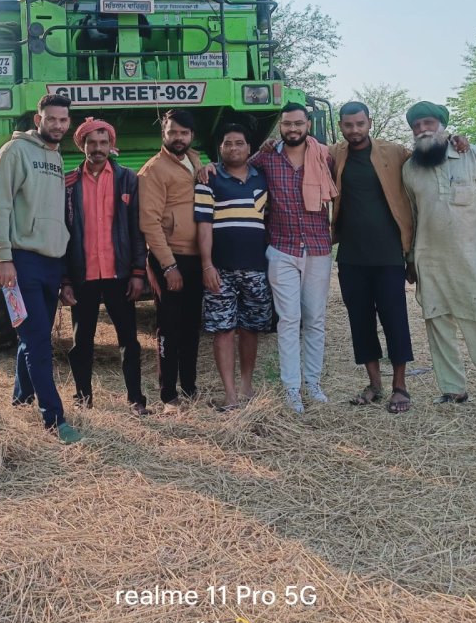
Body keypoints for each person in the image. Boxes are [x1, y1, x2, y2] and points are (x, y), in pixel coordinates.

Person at [401, 101, 476, 422]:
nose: (423, 129)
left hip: (471, 261)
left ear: (443, 127)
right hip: (429, 262)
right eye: (416, 126)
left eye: (428, 123)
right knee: (438, 325)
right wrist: (411, 259)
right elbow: (412, 217)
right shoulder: (410, 168)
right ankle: (453, 390)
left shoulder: (471, 154)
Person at [0, 94, 83, 444]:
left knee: (34, 336)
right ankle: (54, 419)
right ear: (39, 118)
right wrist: (4, 256)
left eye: (63, 120)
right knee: (38, 339)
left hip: (51, 262)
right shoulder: (14, 152)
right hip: (22, 262)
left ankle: (21, 398)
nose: (58, 125)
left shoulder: (56, 156)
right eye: (52, 119)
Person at [241, 103, 337, 413]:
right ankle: (292, 387)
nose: (292, 129)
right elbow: (238, 165)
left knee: (315, 319)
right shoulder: (268, 155)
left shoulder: (324, 155)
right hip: (282, 248)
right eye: (287, 124)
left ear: (308, 124)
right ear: (280, 126)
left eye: (298, 123)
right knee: (288, 319)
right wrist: (201, 164)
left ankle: (313, 383)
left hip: (319, 247)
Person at [328, 102, 415, 414]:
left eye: (360, 124)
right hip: (351, 256)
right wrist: (273, 144)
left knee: (395, 320)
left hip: (389, 254)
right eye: (348, 125)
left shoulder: (394, 153)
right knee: (360, 322)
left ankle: (400, 387)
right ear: (340, 126)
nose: (355, 130)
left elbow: (426, 159)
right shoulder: (334, 154)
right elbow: (300, 152)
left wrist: (457, 142)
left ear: (370, 123)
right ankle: (374, 384)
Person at [61, 117, 151, 417]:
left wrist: (139, 272)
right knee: (81, 342)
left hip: (119, 274)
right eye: (92, 143)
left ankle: (136, 399)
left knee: (129, 339)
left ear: (111, 145)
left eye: (103, 143)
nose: (97, 149)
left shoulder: (127, 180)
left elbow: (137, 230)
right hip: (83, 275)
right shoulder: (69, 184)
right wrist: (66, 280)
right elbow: (63, 232)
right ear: (82, 145)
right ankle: (83, 397)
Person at [194, 124, 273, 411]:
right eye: (228, 144)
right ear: (221, 149)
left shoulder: (262, 179)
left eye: (239, 143)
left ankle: (246, 387)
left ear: (249, 148)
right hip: (221, 270)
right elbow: (204, 227)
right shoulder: (209, 180)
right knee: (223, 329)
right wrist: (207, 266)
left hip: (256, 268)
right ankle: (229, 394)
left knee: (250, 328)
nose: (234, 148)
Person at [138, 109, 203, 411]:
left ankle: (190, 387)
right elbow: (149, 222)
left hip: (196, 257)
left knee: (191, 326)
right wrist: (168, 265)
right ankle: (168, 395)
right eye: (173, 132)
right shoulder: (154, 170)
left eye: (184, 133)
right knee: (169, 327)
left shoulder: (194, 159)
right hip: (171, 259)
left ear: (191, 136)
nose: (179, 138)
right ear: (163, 133)